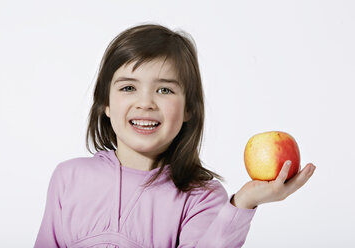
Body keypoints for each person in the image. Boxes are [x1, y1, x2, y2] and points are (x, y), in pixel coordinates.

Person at [34, 24, 316, 248]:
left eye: (165, 90)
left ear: (189, 110)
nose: (145, 103)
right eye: (128, 88)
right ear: (105, 104)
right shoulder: (68, 178)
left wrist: (243, 203)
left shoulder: (201, 197)